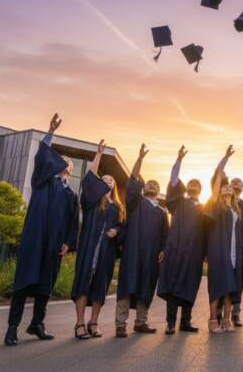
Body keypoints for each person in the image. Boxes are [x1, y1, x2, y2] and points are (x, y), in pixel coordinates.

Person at [5, 113, 79, 346]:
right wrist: (51, 133)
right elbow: (41, 159)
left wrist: (68, 241)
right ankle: (12, 328)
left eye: (66, 161)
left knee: (45, 286)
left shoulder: (71, 195)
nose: (61, 162)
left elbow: (73, 223)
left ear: (70, 169)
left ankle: (37, 323)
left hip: (54, 246)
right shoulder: (42, 182)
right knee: (22, 284)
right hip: (35, 241)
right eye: (58, 159)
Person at [71, 140, 124, 339]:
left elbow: (122, 226)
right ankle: (79, 324)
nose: (107, 180)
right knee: (83, 284)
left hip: (106, 252)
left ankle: (94, 323)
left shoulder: (118, 207)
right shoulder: (91, 202)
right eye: (104, 178)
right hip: (89, 248)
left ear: (115, 185)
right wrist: (98, 155)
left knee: (100, 286)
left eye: (111, 179)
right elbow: (89, 179)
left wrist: (117, 232)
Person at [115, 144, 169, 337]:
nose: (152, 185)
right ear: (144, 188)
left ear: (159, 190)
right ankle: (120, 324)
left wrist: (162, 250)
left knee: (146, 286)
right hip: (133, 251)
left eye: (156, 184)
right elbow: (132, 181)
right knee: (127, 285)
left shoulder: (162, 213)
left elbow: (165, 236)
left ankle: (140, 322)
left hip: (151, 255)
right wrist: (139, 159)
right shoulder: (135, 203)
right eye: (149, 183)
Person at [157, 145, 204, 335]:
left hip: (194, 251)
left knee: (189, 285)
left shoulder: (204, 208)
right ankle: (170, 323)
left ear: (200, 190)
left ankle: (185, 322)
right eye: (190, 184)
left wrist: (206, 252)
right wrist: (179, 160)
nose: (193, 186)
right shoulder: (179, 203)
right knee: (173, 285)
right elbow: (174, 181)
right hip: (175, 249)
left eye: (196, 184)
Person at [205, 146, 243, 334]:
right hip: (219, 252)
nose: (228, 187)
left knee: (231, 287)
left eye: (229, 187)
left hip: (234, 253)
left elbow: (242, 234)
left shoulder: (237, 210)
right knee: (217, 285)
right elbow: (216, 184)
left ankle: (227, 320)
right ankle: (213, 319)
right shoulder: (216, 205)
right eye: (225, 186)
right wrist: (224, 160)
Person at [228, 177, 243, 327]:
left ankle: (235, 314)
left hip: (241, 249)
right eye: (233, 182)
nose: (236, 184)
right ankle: (218, 313)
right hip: (224, 248)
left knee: (238, 282)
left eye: (239, 182)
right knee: (223, 281)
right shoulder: (222, 203)